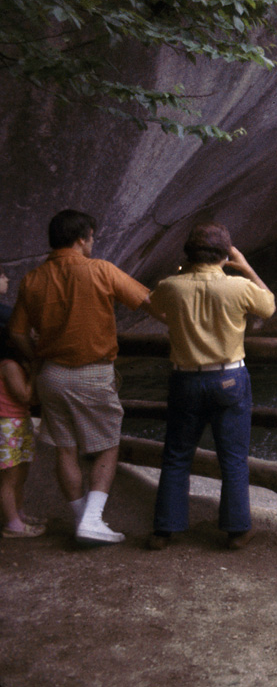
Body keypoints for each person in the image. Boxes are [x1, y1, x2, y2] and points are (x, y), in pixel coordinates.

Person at [9, 209, 152, 544]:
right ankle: (91, 519)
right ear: (82, 237)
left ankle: (80, 520)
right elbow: (149, 301)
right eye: (92, 237)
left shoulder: (32, 279)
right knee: (108, 446)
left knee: (65, 448)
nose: (93, 242)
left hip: (51, 375)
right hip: (92, 373)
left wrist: (37, 357)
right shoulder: (100, 269)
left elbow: (17, 333)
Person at [148, 223, 275, 551]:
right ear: (226, 253)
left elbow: (154, 305)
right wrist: (245, 267)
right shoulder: (237, 287)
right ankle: (236, 530)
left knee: (176, 454)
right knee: (232, 458)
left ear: (188, 254)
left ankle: (164, 529)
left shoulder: (171, 286)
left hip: (185, 377)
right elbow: (269, 306)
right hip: (229, 377)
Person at [1, 304, 43, 538]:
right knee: (9, 476)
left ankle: (17, 514)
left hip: (18, 421)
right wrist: (36, 371)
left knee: (20, 472)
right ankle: (12, 524)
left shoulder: (15, 365)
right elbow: (26, 395)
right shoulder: (9, 366)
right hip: (8, 424)